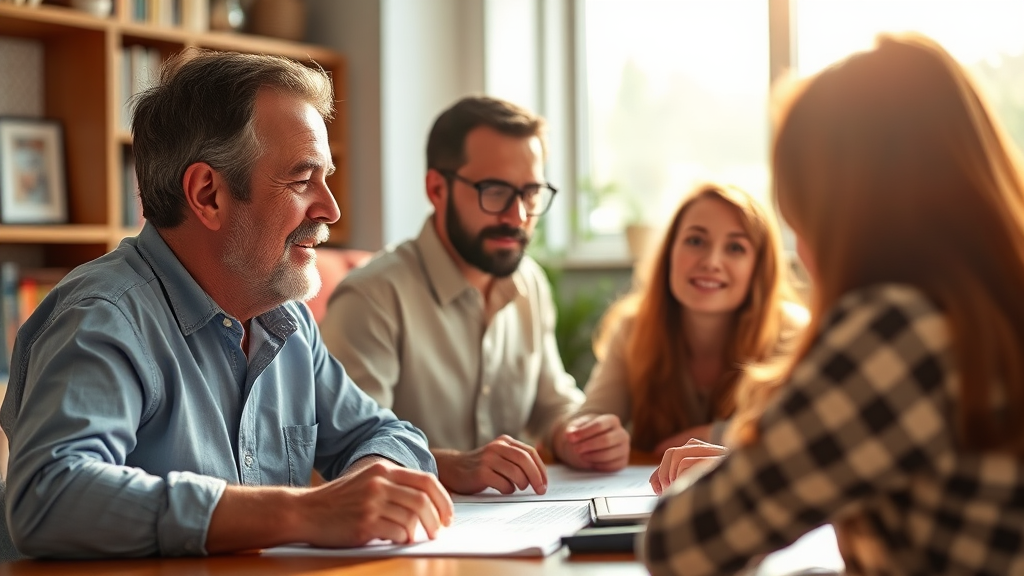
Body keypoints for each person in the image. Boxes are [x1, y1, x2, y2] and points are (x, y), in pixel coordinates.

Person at [0, 49, 453, 559]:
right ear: (208, 194)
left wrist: (372, 484)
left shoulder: (286, 321)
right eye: (303, 180)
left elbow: (387, 434)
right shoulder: (103, 318)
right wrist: (302, 513)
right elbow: (50, 496)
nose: (331, 208)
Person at [644, 32, 1024, 575]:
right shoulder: (991, 311)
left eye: (804, 218)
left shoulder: (899, 331)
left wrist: (751, 459)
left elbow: (678, 546)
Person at [320, 96, 584, 495]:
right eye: (495, 191)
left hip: (520, 527)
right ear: (436, 188)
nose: (517, 217)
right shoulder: (371, 297)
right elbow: (346, 450)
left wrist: (576, 433)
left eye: (530, 193)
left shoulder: (529, 282)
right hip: (406, 537)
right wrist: (453, 466)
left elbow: (552, 404)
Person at [551, 183, 807, 472]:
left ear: (759, 267)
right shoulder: (633, 328)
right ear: (669, 252)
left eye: (735, 248)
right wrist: (586, 441)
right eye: (696, 241)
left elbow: (808, 431)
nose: (711, 262)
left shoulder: (794, 333)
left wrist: (718, 435)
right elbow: (590, 417)